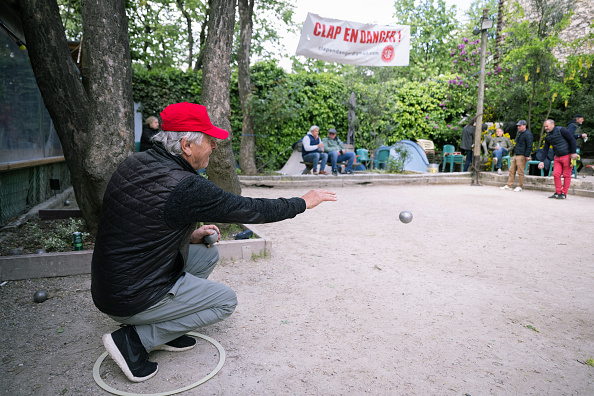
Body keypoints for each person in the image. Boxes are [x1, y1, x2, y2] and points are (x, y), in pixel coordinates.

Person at [91, 102, 337, 382]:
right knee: (224, 302)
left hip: (111, 284)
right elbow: (251, 208)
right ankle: (134, 340)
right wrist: (302, 202)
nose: (214, 147)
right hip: (131, 295)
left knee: (205, 254)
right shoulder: (185, 185)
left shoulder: (137, 162)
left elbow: (138, 221)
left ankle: (164, 325)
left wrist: (188, 234)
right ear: (186, 145)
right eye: (209, 140)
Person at [538, 119, 578, 199]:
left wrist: (574, 152)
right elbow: (545, 149)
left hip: (567, 155)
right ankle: (558, 192)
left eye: (547, 126)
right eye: (544, 127)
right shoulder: (548, 136)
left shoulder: (562, 130)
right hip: (557, 157)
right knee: (556, 174)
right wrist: (542, 161)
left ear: (553, 125)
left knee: (566, 175)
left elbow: (572, 140)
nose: (545, 128)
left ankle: (564, 193)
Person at [500, 120, 533, 192]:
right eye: (518, 126)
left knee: (520, 172)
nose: (518, 127)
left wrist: (527, 155)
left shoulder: (528, 134)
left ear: (524, 126)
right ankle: (509, 185)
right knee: (511, 170)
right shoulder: (520, 133)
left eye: (520, 126)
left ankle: (519, 186)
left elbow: (529, 145)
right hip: (517, 154)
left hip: (522, 155)